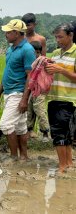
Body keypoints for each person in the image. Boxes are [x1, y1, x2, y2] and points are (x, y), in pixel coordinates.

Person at [0, 19, 35, 161]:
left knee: (6, 125)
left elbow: (30, 76)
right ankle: (24, 157)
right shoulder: (10, 50)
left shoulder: (27, 50)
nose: (6, 35)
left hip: (18, 93)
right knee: (20, 127)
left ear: (16, 33)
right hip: (9, 92)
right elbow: (8, 72)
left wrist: (24, 99)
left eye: (8, 32)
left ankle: (13, 157)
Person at [45, 23, 76, 174]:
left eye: (61, 37)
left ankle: (62, 167)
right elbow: (52, 72)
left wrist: (61, 70)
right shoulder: (56, 53)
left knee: (59, 133)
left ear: (71, 36)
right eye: (56, 37)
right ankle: (69, 164)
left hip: (68, 98)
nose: (58, 40)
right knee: (65, 133)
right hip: (54, 97)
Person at [26, 41, 50, 142]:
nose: (33, 54)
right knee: (30, 109)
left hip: (40, 89)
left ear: (38, 52)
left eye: (34, 52)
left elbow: (49, 63)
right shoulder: (31, 60)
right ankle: (30, 130)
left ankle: (45, 133)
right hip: (32, 89)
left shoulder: (42, 60)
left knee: (39, 109)